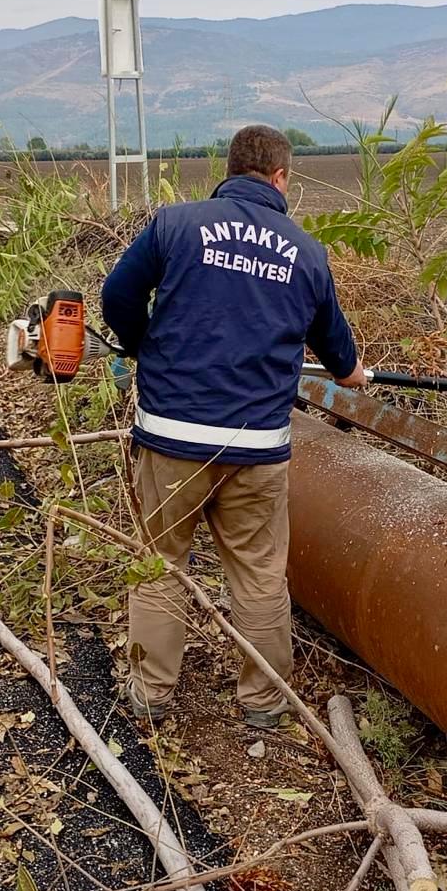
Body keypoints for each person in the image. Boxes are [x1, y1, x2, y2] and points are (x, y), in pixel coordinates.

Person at [101, 124, 366, 728]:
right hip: (258, 450)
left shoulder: (175, 224)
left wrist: (144, 347)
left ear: (229, 170)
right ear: (281, 177)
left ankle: (150, 692)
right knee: (259, 572)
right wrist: (359, 376)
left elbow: (117, 296)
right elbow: (342, 363)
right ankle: (265, 702)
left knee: (161, 560)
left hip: (171, 438)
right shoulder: (307, 252)